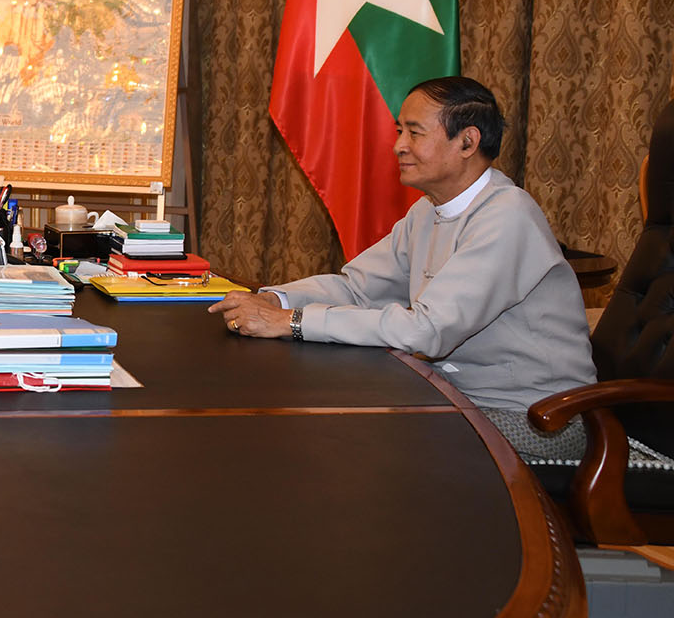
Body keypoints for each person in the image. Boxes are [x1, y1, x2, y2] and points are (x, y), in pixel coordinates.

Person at [208, 76, 597, 459]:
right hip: (456, 397)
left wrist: (292, 322)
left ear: (467, 141)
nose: (398, 146)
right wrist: (274, 300)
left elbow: (427, 330)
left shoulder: (507, 215)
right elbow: (357, 288)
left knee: (360, 436)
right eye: (399, 131)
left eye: (415, 133)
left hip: (539, 419)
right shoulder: (427, 211)